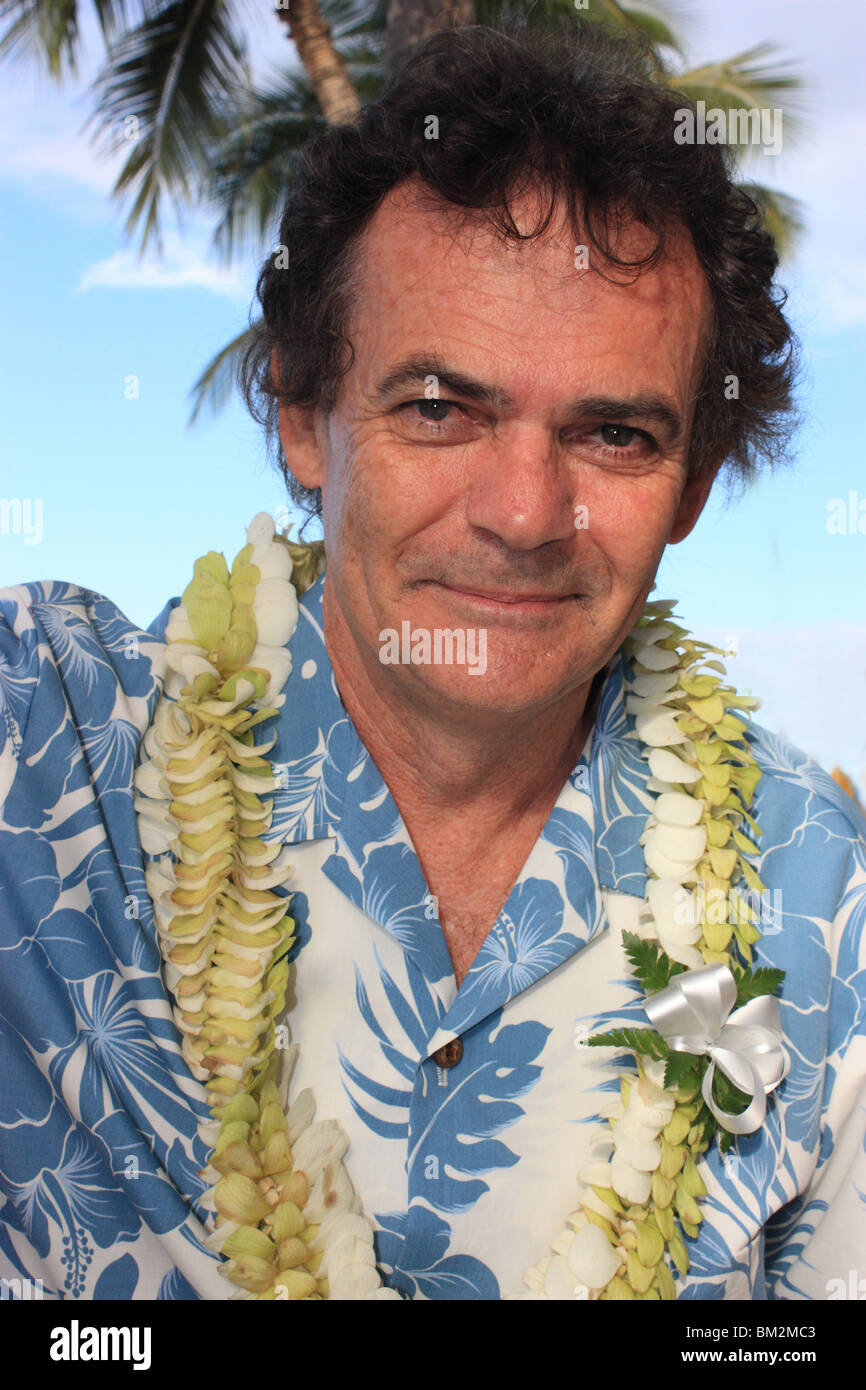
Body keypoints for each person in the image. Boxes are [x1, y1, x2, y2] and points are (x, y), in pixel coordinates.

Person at [1, 20, 864, 1302]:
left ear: (688, 489)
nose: (522, 513)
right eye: (439, 408)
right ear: (303, 416)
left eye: (614, 433)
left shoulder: (822, 903)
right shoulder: (46, 742)